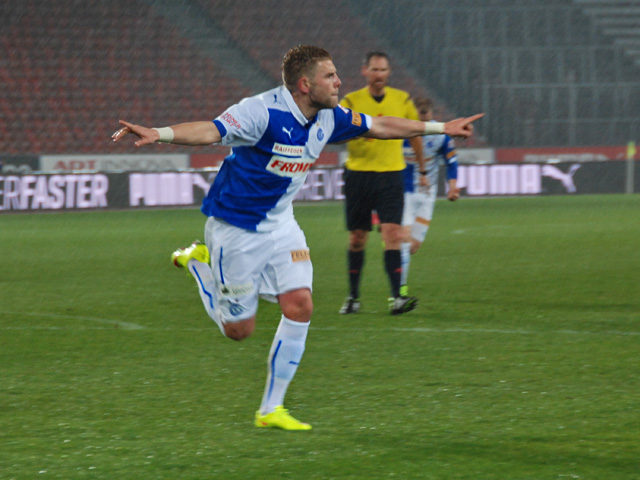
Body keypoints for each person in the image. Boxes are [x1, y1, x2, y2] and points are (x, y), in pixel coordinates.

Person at [111, 45, 482, 430]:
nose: (338, 82)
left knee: (301, 305)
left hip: (281, 224)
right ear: (305, 84)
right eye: (330, 76)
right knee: (238, 331)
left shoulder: (330, 117)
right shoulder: (261, 112)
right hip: (236, 228)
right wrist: (160, 134)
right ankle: (198, 263)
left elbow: (381, 126)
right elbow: (211, 130)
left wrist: (442, 127)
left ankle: (271, 409)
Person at [338, 51, 427, 316]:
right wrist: (355, 133)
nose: (379, 75)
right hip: (359, 176)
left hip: (391, 176)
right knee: (357, 238)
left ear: (389, 72)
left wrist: (423, 169)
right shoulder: (351, 101)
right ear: (364, 71)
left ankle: (397, 297)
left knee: (393, 235)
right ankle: (353, 297)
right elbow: (336, 132)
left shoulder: (402, 100)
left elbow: (416, 133)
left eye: (383, 70)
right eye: (374, 70)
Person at [399, 97, 460, 297]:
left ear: (431, 113)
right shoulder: (401, 131)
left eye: (426, 113)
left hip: (427, 195)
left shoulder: (440, 136)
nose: (423, 116)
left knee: (413, 246)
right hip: (405, 192)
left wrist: (452, 186)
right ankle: (399, 291)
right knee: (404, 241)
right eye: (420, 112)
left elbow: (451, 162)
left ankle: (393, 254)